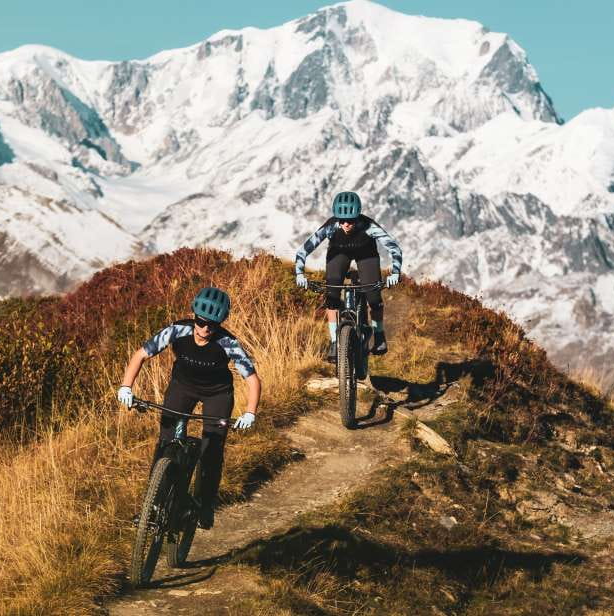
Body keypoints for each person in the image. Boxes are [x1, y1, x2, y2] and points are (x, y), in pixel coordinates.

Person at [116, 286, 261, 529]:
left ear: (220, 324)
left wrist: (250, 412)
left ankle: (205, 504)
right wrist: (126, 387)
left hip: (217, 393)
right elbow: (140, 355)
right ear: (194, 316)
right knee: (166, 443)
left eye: (212, 325)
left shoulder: (228, 342)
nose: (205, 329)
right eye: (201, 321)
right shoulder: (177, 330)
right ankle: (153, 506)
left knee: (212, 448)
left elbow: (253, 380)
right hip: (183, 387)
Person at [293, 191, 403, 359]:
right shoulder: (331, 226)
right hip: (339, 254)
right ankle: (335, 342)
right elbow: (303, 250)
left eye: (350, 220)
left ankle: (379, 334)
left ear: (357, 216)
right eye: (341, 219)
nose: (345, 224)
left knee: (373, 296)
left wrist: (395, 272)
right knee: (332, 296)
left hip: (366, 254)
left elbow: (394, 248)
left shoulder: (368, 226)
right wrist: (299, 273)